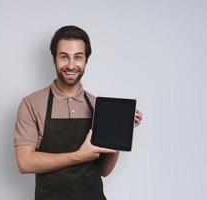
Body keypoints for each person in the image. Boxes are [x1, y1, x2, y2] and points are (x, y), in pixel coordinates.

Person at [14, 25, 143, 200]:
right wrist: (77, 156)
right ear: (54, 59)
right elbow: (25, 162)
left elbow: (104, 171)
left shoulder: (99, 105)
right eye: (64, 57)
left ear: (86, 61)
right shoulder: (32, 104)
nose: (71, 65)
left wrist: (121, 131)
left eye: (78, 57)